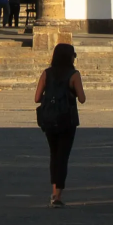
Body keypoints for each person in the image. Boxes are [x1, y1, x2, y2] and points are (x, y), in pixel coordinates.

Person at [34, 42, 86, 207]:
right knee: (63, 156)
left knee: (54, 154)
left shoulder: (47, 73)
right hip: (67, 120)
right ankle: (57, 194)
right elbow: (82, 98)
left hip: (49, 118)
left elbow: (36, 98)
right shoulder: (74, 74)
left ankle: (54, 190)